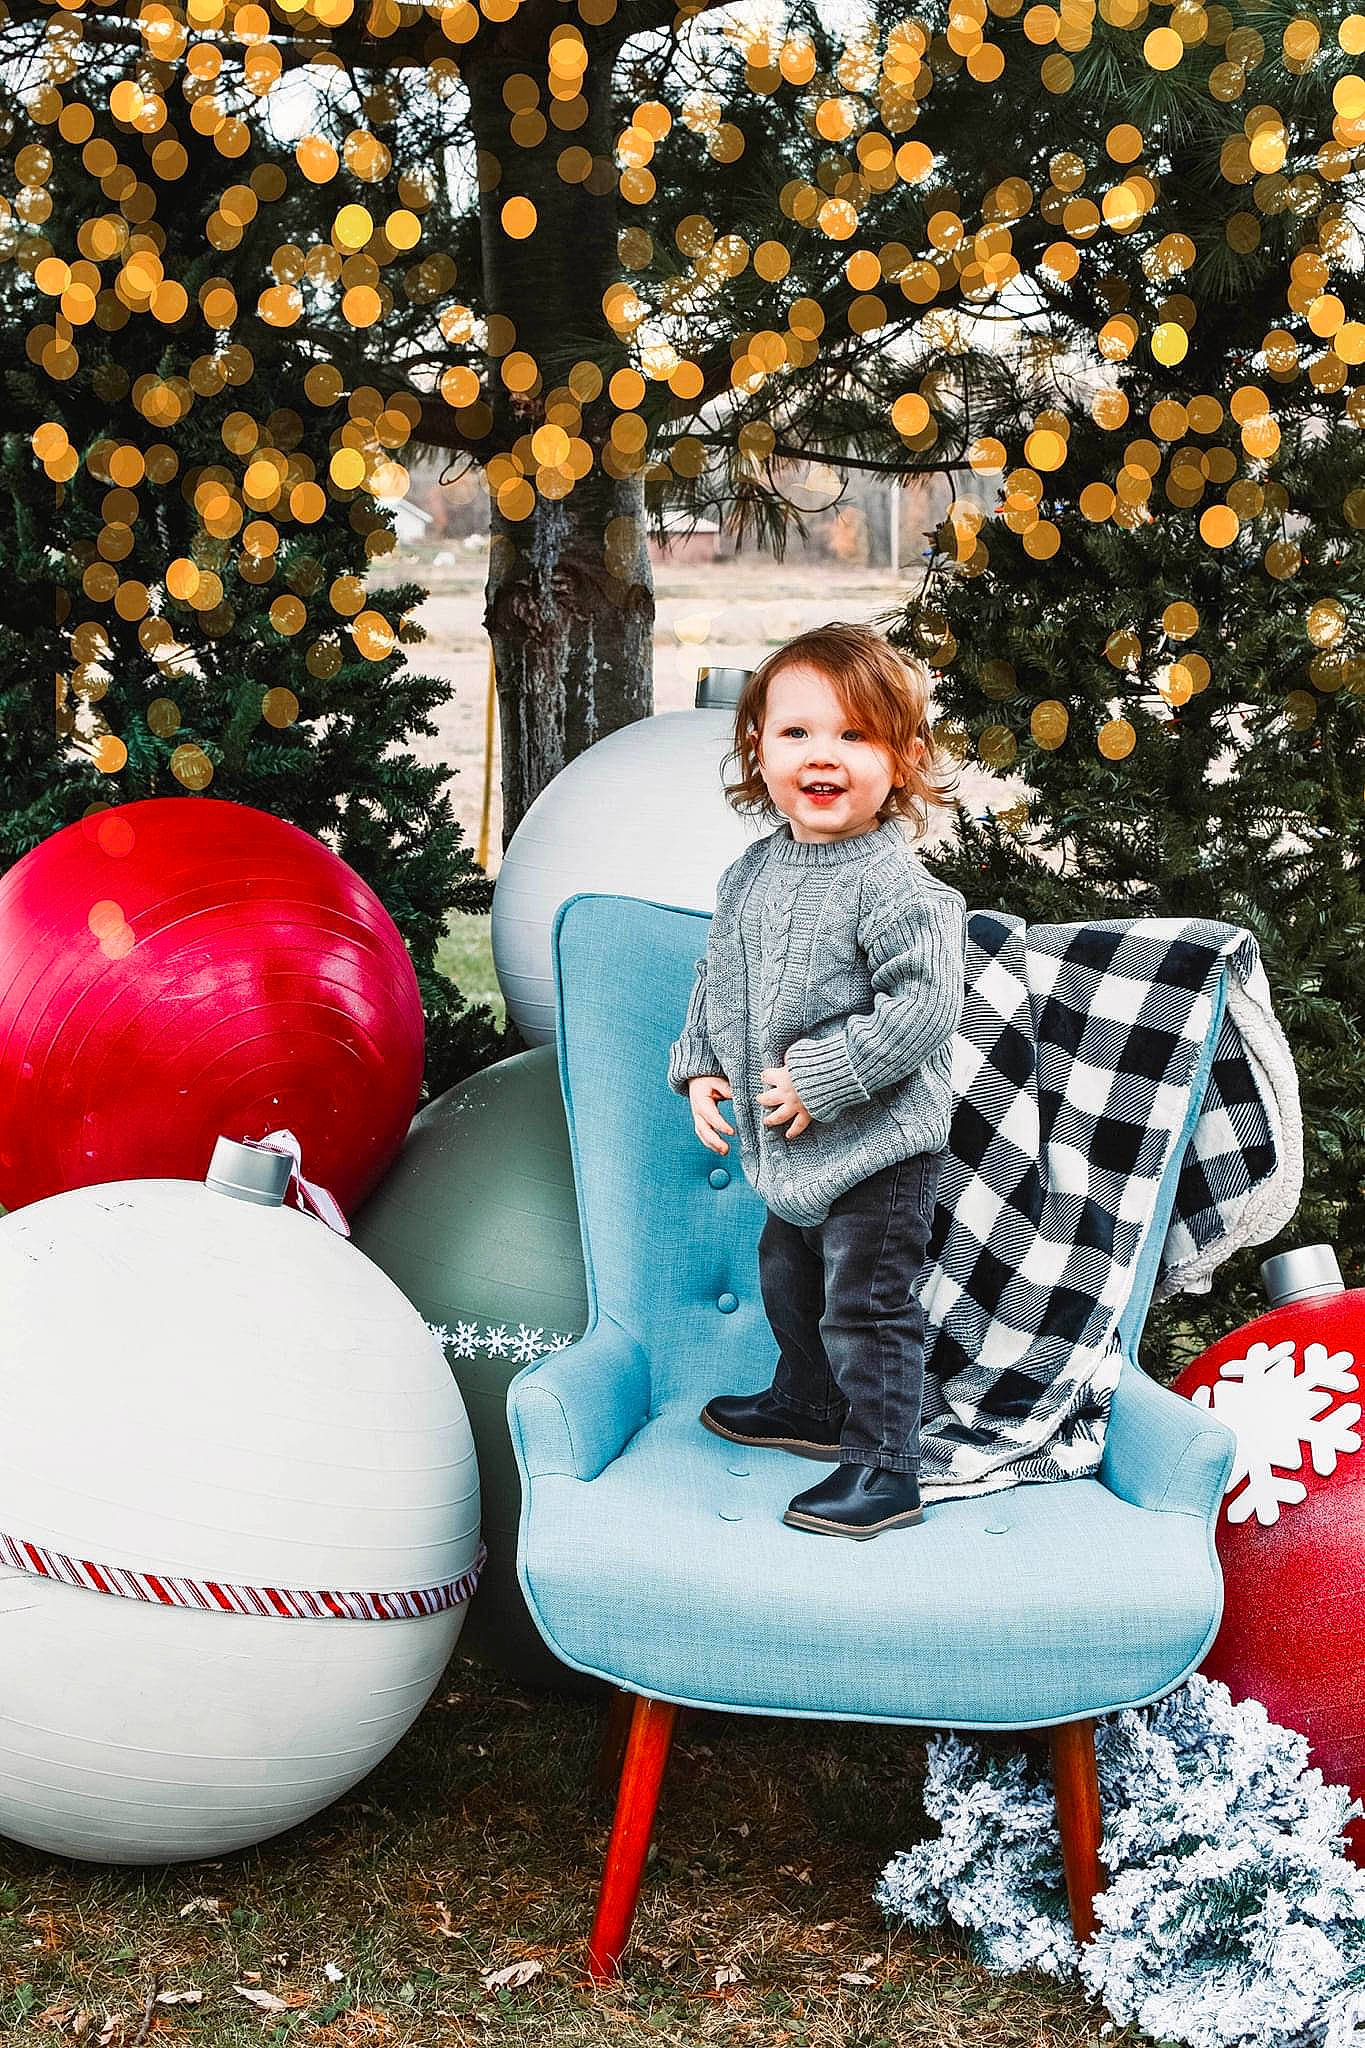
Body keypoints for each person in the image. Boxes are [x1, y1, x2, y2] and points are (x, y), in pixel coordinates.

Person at [667, 621, 968, 1540]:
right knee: (788, 1282)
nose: (822, 756)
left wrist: (822, 1076)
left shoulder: (897, 886)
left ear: (905, 759)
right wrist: (703, 1066)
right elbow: (718, 971)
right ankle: (808, 1405)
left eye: (855, 735)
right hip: (789, 1147)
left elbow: (923, 1007)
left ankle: (886, 1469)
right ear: (755, 749)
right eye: (796, 733)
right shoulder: (751, 870)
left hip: (878, 1149)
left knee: (865, 1307)